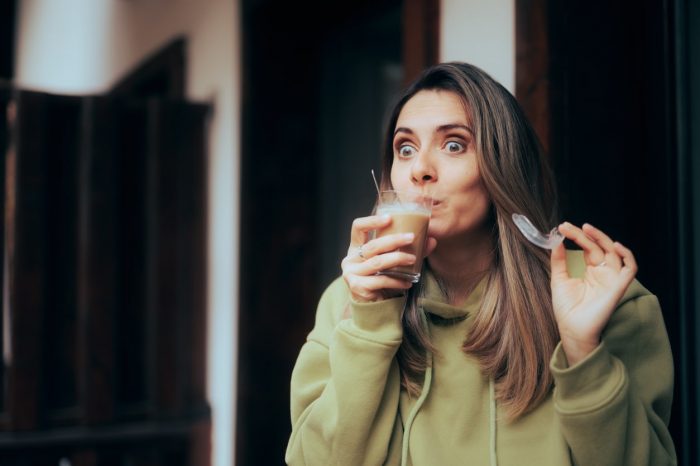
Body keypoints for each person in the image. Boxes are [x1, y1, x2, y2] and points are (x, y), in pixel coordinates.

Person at [285, 62, 676, 466]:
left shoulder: (600, 294)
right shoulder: (347, 302)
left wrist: (582, 351)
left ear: (502, 164)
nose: (419, 169)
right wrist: (370, 326)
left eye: (454, 144)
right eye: (405, 149)